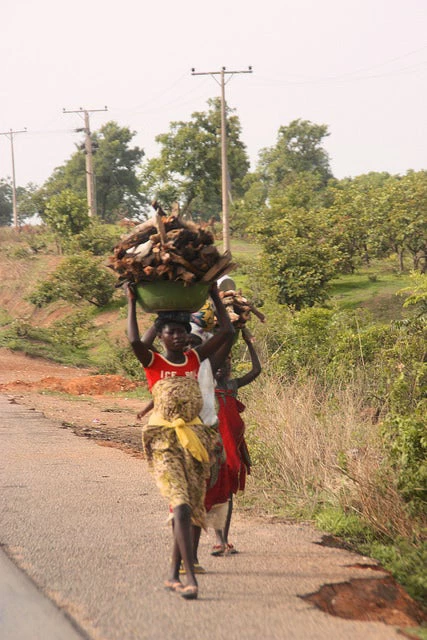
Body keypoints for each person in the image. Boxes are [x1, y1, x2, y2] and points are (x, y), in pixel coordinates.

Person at [126, 282, 233, 600]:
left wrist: (214, 295)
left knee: (194, 509)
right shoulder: (154, 363)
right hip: (164, 441)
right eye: (170, 332)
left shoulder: (194, 359)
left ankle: (173, 575)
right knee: (182, 505)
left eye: (182, 331)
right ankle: (190, 580)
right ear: (161, 337)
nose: (178, 336)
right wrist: (134, 303)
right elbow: (134, 340)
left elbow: (226, 333)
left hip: (195, 440)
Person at [211, 325, 261, 556]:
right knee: (212, 490)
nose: (222, 369)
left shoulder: (232, 385)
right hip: (213, 444)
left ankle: (223, 539)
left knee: (227, 490)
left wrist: (249, 343)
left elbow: (256, 370)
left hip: (234, 445)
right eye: (218, 366)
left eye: (227, 365)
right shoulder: (206, 386)